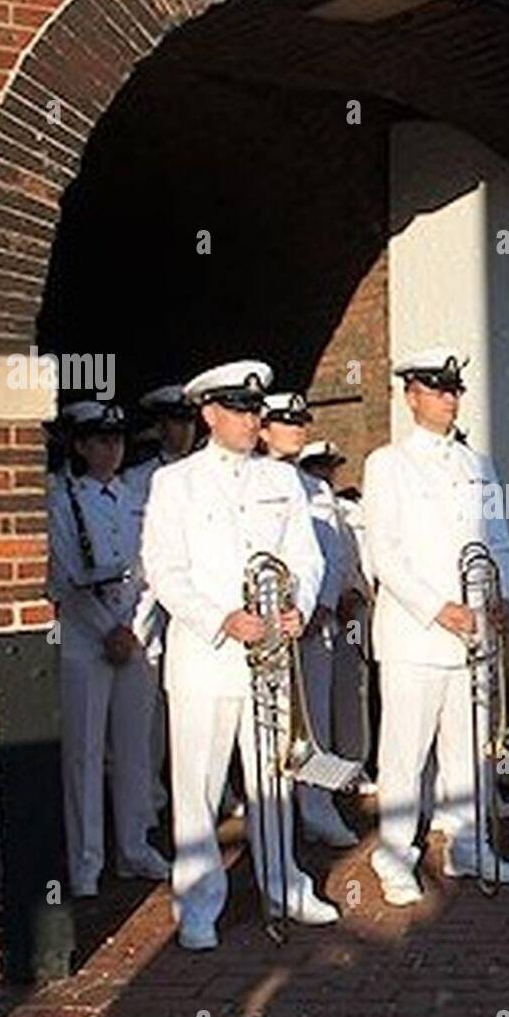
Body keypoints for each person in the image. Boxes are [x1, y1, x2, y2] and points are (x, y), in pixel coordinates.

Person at [141, 361, 338, 950]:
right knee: (199, 785)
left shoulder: (280, 480)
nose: (254, 419)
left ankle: (285, 883)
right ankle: (198, 901)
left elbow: (306, 557)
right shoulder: (175, 483)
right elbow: (164, 569)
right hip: (208, 656)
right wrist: (219, 619)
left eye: (256, 410)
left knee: (274, 777)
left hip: (273, 655)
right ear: (209, 414)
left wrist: (298, 603)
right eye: (241, 409)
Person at [363, 349, 509, 905]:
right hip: (416, 634)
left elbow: (497, 537)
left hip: (472, 633)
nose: (449, 399)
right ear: (412, 396)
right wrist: (439, 608)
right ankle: (395, 855)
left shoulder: (477, 464)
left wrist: (503, 594)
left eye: (454, 389)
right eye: (437, 389)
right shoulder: (389, 463)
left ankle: (468, 842)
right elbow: (385, 553)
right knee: (405, 754)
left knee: (469, 748)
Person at [45, 401, 170, 898]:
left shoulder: (134, 496)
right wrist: (107, 630)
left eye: (116, 441)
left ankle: (135, 847)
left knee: (135, 749)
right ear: (79, 446)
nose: (111, 449)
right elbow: (65, 575)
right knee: (85, 754)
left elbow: (152, 569)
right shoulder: (61, 500)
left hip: (134, 635)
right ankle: (85, 862)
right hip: (84, 637)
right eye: (100, 440)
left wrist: (133, 627)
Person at [258, 393, 359, 847]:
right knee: (266, 725)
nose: (299, 428)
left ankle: (317, 809)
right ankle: (269, 816)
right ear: (264, 428)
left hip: (313, 622)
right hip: (264, 624)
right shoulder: (250, 482)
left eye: (302, 422)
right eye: (288, 422)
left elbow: (332, 554)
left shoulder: (317, 489)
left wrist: (320, 603)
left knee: (314, 721)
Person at [125, 383, 199, 815]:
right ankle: (151, 794)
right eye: (175, 421)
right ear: (159, 425)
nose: (183, 430)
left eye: (188, 421)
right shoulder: (141, 479)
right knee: (151, 705)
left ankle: (219, 789)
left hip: (200, 601)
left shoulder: (206, 474)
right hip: (153, 598)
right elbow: (137, 548)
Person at [302, 440, 377, 794]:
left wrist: (358, 595)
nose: (325, 472)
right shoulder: (303, 504)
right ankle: (319, 767)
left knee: (352, 686)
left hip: (350, 615)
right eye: (317, 465)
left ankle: (353, 763)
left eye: (330, 465)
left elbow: (360, 559)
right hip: (319, 614)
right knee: (314, 698)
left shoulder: (349, 509)